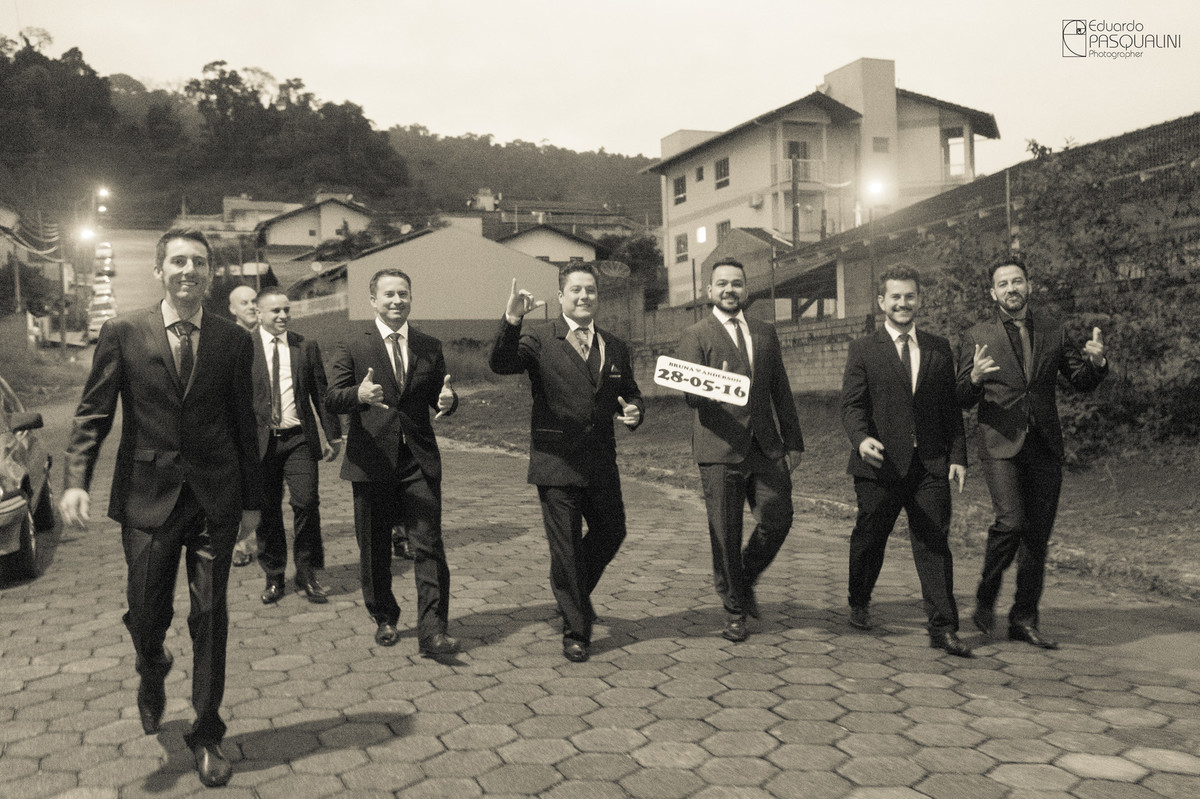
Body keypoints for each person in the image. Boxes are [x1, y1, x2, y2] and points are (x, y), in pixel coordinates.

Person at [59, 228, 262, 788]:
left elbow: (246, 424)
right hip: (146, 499)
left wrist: (253, 505)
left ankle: (208, 732)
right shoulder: (123, 331)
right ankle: (152, 667)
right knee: (148, 614)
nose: (188, 270)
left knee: (210, 617)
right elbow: (93, 412)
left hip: (213, 499)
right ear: (159, 270)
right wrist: (77, 479)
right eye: (178, 261)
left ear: (210, 273)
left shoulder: (232, 340)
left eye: (199, 262)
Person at [489, 265, 644, 663]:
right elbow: (502, 363)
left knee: (612, 531)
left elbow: (630, 393)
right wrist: (511, 319)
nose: (584, 297)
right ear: (561, 297)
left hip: (600, 462)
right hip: (555, 461)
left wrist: (634, 413)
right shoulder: (539, 337)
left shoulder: (615, 345)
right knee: (568, 547)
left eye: (590, 290)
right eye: (575, 290)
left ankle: (567, 589)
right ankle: (577, 630)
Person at [958, 254, 1108, 649]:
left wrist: (1097, 363)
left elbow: (1080, 380)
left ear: (1029, 286)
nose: (1012, 289)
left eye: (1017, 281)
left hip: (1044, 445)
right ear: (993, 293)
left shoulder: (1053, 330)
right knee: (1010, 523)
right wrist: (973, 379)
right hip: (999, 445)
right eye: (1003, 284)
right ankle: (986, 596)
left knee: (1037, 537)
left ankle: (1023, 618)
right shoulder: (977, 335)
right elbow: (960, 397)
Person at [325, 269, 459, 657]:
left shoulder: (428, 346)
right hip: (371, 461)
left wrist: (449, 403)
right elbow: (333, 397)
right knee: (374, 546)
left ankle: (433, 630)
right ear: (373, 301)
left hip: (417, 459)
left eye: (403, 293)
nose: (397, 301)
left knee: (428, 544)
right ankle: (384, 615)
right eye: (389, 295)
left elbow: (441, 395)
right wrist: (358, 394)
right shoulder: (352, 344)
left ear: (411, 297)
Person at [840, 265, 971, 657]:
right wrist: (861, 439)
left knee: (933, 542)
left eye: (909, 296)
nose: (903, 303)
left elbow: (950, 410)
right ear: (882, 302)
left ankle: (944, 627)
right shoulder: (863, 349)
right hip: (879, 466)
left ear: (919, 300)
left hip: (928, 465)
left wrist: (957, 457)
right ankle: (859, 599)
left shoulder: (938, 347)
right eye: (895, 297)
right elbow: (851, 405)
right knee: (870, 538)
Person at [676, 258, 803, 643]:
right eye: (722, 284)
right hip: (719, 448)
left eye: (736, 283)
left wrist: (793, 440)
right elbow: (689, 393)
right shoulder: (696, 334)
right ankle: (733, 608)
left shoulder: (765, 332)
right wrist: (715, 386)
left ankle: (744, 577)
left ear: (746, 290)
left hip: (765, 446)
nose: (729, 290)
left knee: (778, 517)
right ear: (709, 291)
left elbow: (779, 388)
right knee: (725, 532)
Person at [251, 288, 342, 605]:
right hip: (260, 444)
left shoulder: (305, 346)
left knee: (306, 503)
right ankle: (274, 575)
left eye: (286, 310)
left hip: (298, 439)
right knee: (267, 511)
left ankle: (307, 572)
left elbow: (321, 393)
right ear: (258, 313)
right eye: (274, 311)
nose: (282, 316)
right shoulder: (242, 348)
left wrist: (333, 434)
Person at [228, 284, 260, 568]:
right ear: (232, 309)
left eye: (254, 301)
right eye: (244, 302)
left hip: (268, 427)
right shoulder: (226, 340)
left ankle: (267, 538)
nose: (251, 306)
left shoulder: (271, 337)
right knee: (241, 487)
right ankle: (242, 543)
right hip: (238, 428)